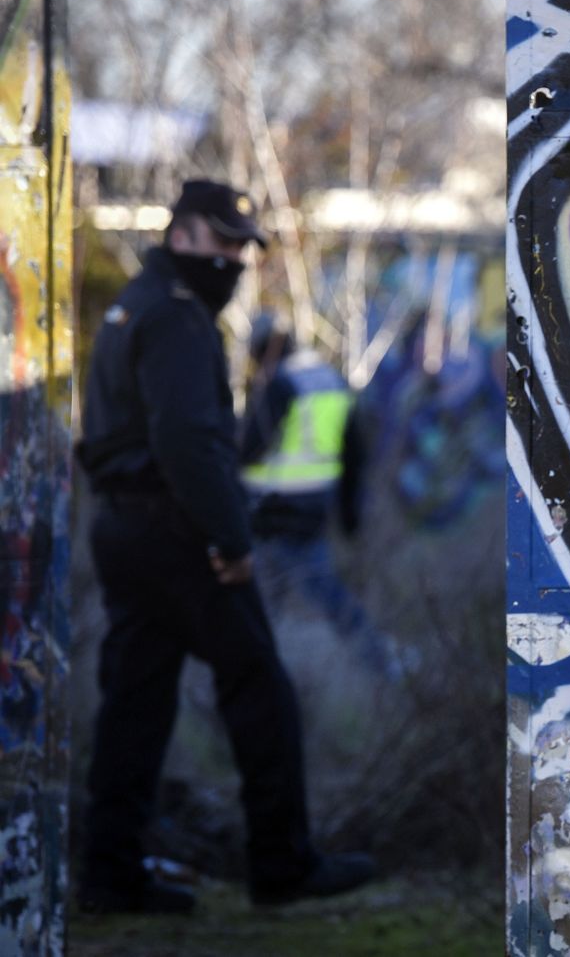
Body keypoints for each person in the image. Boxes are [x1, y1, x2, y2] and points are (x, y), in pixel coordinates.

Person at [76, 179, 376, 913]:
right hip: (178, 531)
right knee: (261, 691)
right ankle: (282, 865)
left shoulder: (132, 307)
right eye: (225, 241)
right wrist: (231, 539)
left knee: (136, 702)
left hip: (125, 525)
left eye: (244, 246)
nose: (237, 258)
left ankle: (110, 874)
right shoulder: (178, 319)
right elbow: (188, 442)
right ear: (182, 235)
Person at [238, 314, 393, 676]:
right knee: (326, 596)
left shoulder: (279, 384)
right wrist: (350, 516)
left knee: (257, 605)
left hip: (270, 510)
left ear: (263, 350)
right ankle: (382, 665)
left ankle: (253, 678)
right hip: (313, 510)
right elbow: (354, 455)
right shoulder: (330, 380)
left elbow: (249, 450)